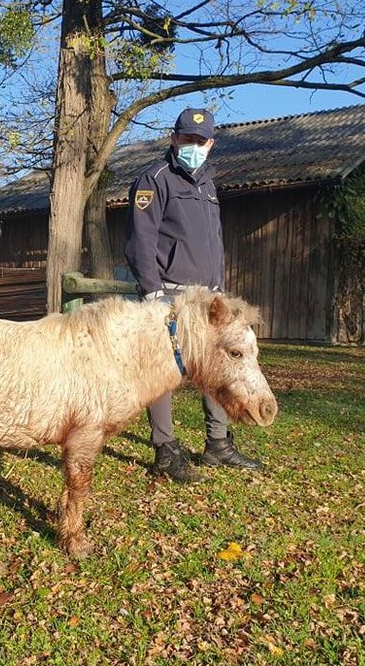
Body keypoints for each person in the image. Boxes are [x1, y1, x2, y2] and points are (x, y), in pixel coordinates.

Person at [124, 107, 262, 483]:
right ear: (174, 138)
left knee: (216, 366)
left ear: (211, 143)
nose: (194, 146)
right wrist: (152, 291)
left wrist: (220, 289)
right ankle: (165, 450)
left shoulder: (208, 184)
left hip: (208, 299)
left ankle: (217, 444)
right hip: (168, 294)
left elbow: (213, 243)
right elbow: (141, 241)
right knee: (163, 373)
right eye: (187, 139)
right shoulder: (154, 180)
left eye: (201, 141)